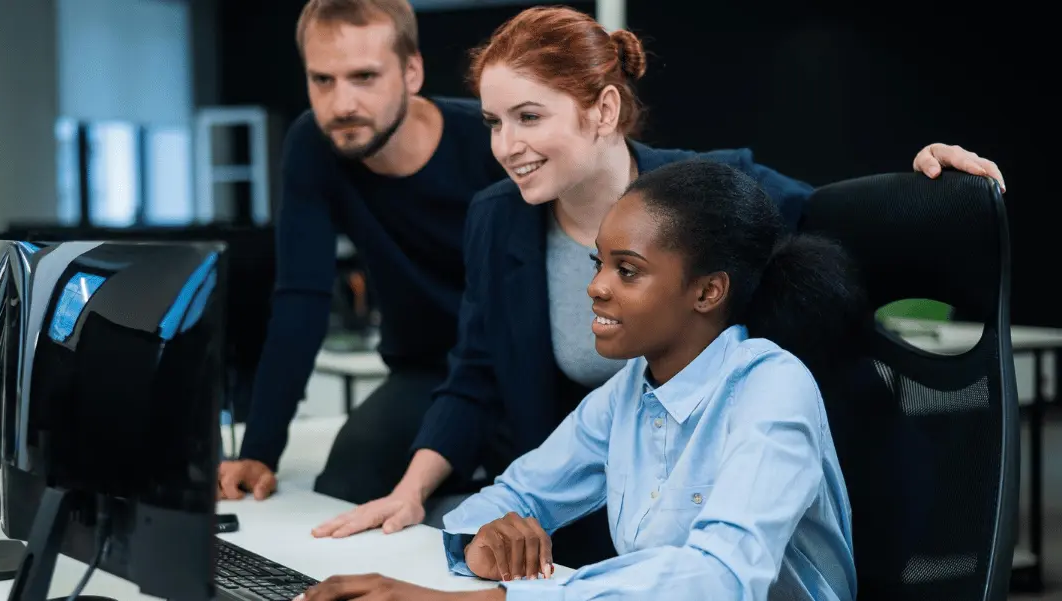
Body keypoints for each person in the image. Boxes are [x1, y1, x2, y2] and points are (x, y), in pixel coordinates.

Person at [309, 4, 1006, 569]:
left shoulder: (705, 200)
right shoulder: (501, 224)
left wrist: (926, 181)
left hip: (721, 512)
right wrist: (412, 494)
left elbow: (839, 219)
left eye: (528, 117)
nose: (504, 146)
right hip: (597, 502)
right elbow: (475, 375)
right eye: (493, 122)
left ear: (604, 110)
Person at [298, 158, 867, 601]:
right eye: (599, 262)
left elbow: (721, 576)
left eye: (628, 270)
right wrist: (485, 542)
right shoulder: (629, 391)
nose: (596, 286)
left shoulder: (772, 387)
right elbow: (514, 494)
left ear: (707, 291)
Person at [216, 0, 507, 505]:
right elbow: (299, 301)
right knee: (345, 491)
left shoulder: (491, 142)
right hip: (425, 371)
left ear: (411, 71)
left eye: (364, 77)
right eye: (323, 80)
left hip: (517, 367)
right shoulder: (313, 143)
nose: (341, 103)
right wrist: (261, 449)